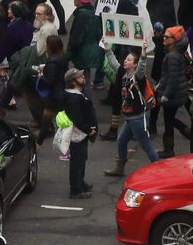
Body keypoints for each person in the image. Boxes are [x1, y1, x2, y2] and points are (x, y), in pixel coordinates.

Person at [103, 40, 159, 177]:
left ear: (134, 64)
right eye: (126, 59)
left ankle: (159, 170)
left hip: (138, 118)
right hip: (129, 118)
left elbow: (142, 66)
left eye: (129, 60)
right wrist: (107, 49)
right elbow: (113, 62)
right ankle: (120, 168)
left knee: (146, 145)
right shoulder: (123, 73)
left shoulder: (138, 76)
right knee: (121, 140)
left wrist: (144, 53)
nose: (125, 61)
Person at [156, 26, 191, 158]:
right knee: (169, 119)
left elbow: (173, 79)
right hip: (178, 93)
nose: (163, 38)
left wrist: (165, 94)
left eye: (167, 37)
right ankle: (185, 132)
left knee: (168, 122)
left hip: (172, 95)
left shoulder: (171, 56)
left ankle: (169, 150)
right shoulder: (178, 53)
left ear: (174, 40)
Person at [63, 68, 96, 198]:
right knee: (77, 162)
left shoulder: (75, 95)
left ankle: (80, 183)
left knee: (81, 160)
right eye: (79, 76)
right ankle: (75, 190)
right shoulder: (74, 98)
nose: (83, 77)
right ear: (73, 81)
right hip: (78, 135)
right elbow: (77, 119)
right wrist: (89, 130)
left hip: (80, 134)